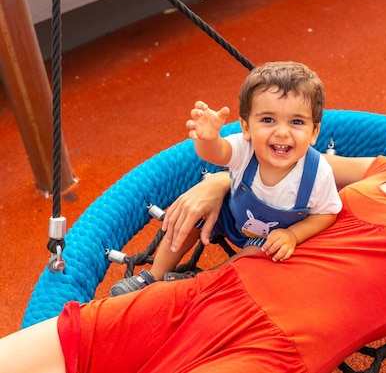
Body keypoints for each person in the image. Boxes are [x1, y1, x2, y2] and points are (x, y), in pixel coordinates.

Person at [2, 76, 386, 373]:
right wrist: (221, 177)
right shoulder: (384, 171)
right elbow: (284, 160)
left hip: (275, 349)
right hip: (201, 295)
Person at [109, 61, 342, 296]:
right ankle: (152, 276)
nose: (282, 132)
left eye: (296, 122)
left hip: (270, 242)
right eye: (268, 120)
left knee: (256, 255)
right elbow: (217, 153)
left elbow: (327, 213)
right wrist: (208, 138)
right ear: (246, 127)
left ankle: (201, 283)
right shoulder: (246, 148)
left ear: (314, 132)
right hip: (231, 218)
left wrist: (293, 234)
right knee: (192, 213)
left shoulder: (317, 173)